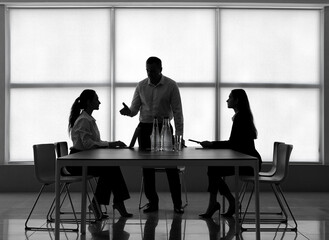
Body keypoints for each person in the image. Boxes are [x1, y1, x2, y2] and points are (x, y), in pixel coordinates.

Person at [120, 56, 184, 214]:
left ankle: (177, 203)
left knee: (171, 167)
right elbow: (134, 110)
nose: (150, 74)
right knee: (147, 168)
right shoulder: (141, 86)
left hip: (164, 128)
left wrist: (179, 136)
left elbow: (177, 112)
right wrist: (128, 112)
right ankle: (152, 202)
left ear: (161, 69)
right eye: (147, 71)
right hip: (145, 128)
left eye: (153, 71)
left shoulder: (171, 85)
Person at [68, 89, 133, 219]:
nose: (100, 102)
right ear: (89, 102)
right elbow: (87, 144)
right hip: (77, 162)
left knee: (111, 167)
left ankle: (105, 203)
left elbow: (94, 142)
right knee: (109, 169)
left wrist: (111, 143)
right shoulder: (84, 120)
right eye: (97, 99)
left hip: (84, 159)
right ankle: (108, 203)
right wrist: (110, 144)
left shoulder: (88, 119)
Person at [199, 89, 262, 218]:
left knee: (213, 169)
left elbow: (233, 144)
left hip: (249, 164)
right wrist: (212, 144)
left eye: (230, 97)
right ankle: (219, 203)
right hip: (248, 160)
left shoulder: (240, 117)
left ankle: (225, 202)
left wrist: (212, 144)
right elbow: (235, 143)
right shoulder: (242, 115)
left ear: (237, 100)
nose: (227, 100)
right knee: (213, 169)